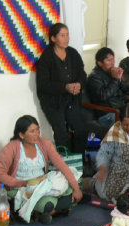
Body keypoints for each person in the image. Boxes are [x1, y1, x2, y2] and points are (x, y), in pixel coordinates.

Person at [0, 115, 82, 224]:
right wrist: (23, 183)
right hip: (21, 189)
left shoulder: (44, 143)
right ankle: (48, 210)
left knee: (71, 188)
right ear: (21, 135)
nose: (37, 134)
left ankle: (38, 212)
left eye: (37, 129)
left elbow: (62, 165)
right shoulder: (11, 148)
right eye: (32, 131)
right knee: (48, 204)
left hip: (42, 184)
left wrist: (77, 189)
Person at [36, 23, 89, 154]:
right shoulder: (46, 58)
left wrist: (79, 85)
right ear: (53, 38)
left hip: (72, 100)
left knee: (81, 129)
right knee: (61, 134)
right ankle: (65, 163)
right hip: (53, 103)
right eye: (62, 35)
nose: (66, 38)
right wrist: (65, 87)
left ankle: (78, 160)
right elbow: (43, 85)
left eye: (67, 35)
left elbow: (82, 74)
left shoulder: (73, 53)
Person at [87, 47, 129, 127]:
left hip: (119, 108)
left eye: (113, 59)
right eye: (109, 60)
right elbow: (103, 96)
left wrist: (120, 78)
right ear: (100, 63)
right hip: (106, 113)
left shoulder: (111, 72)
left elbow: (128, 90)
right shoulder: (94, 77)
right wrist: (115, 79)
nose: (112, 63)